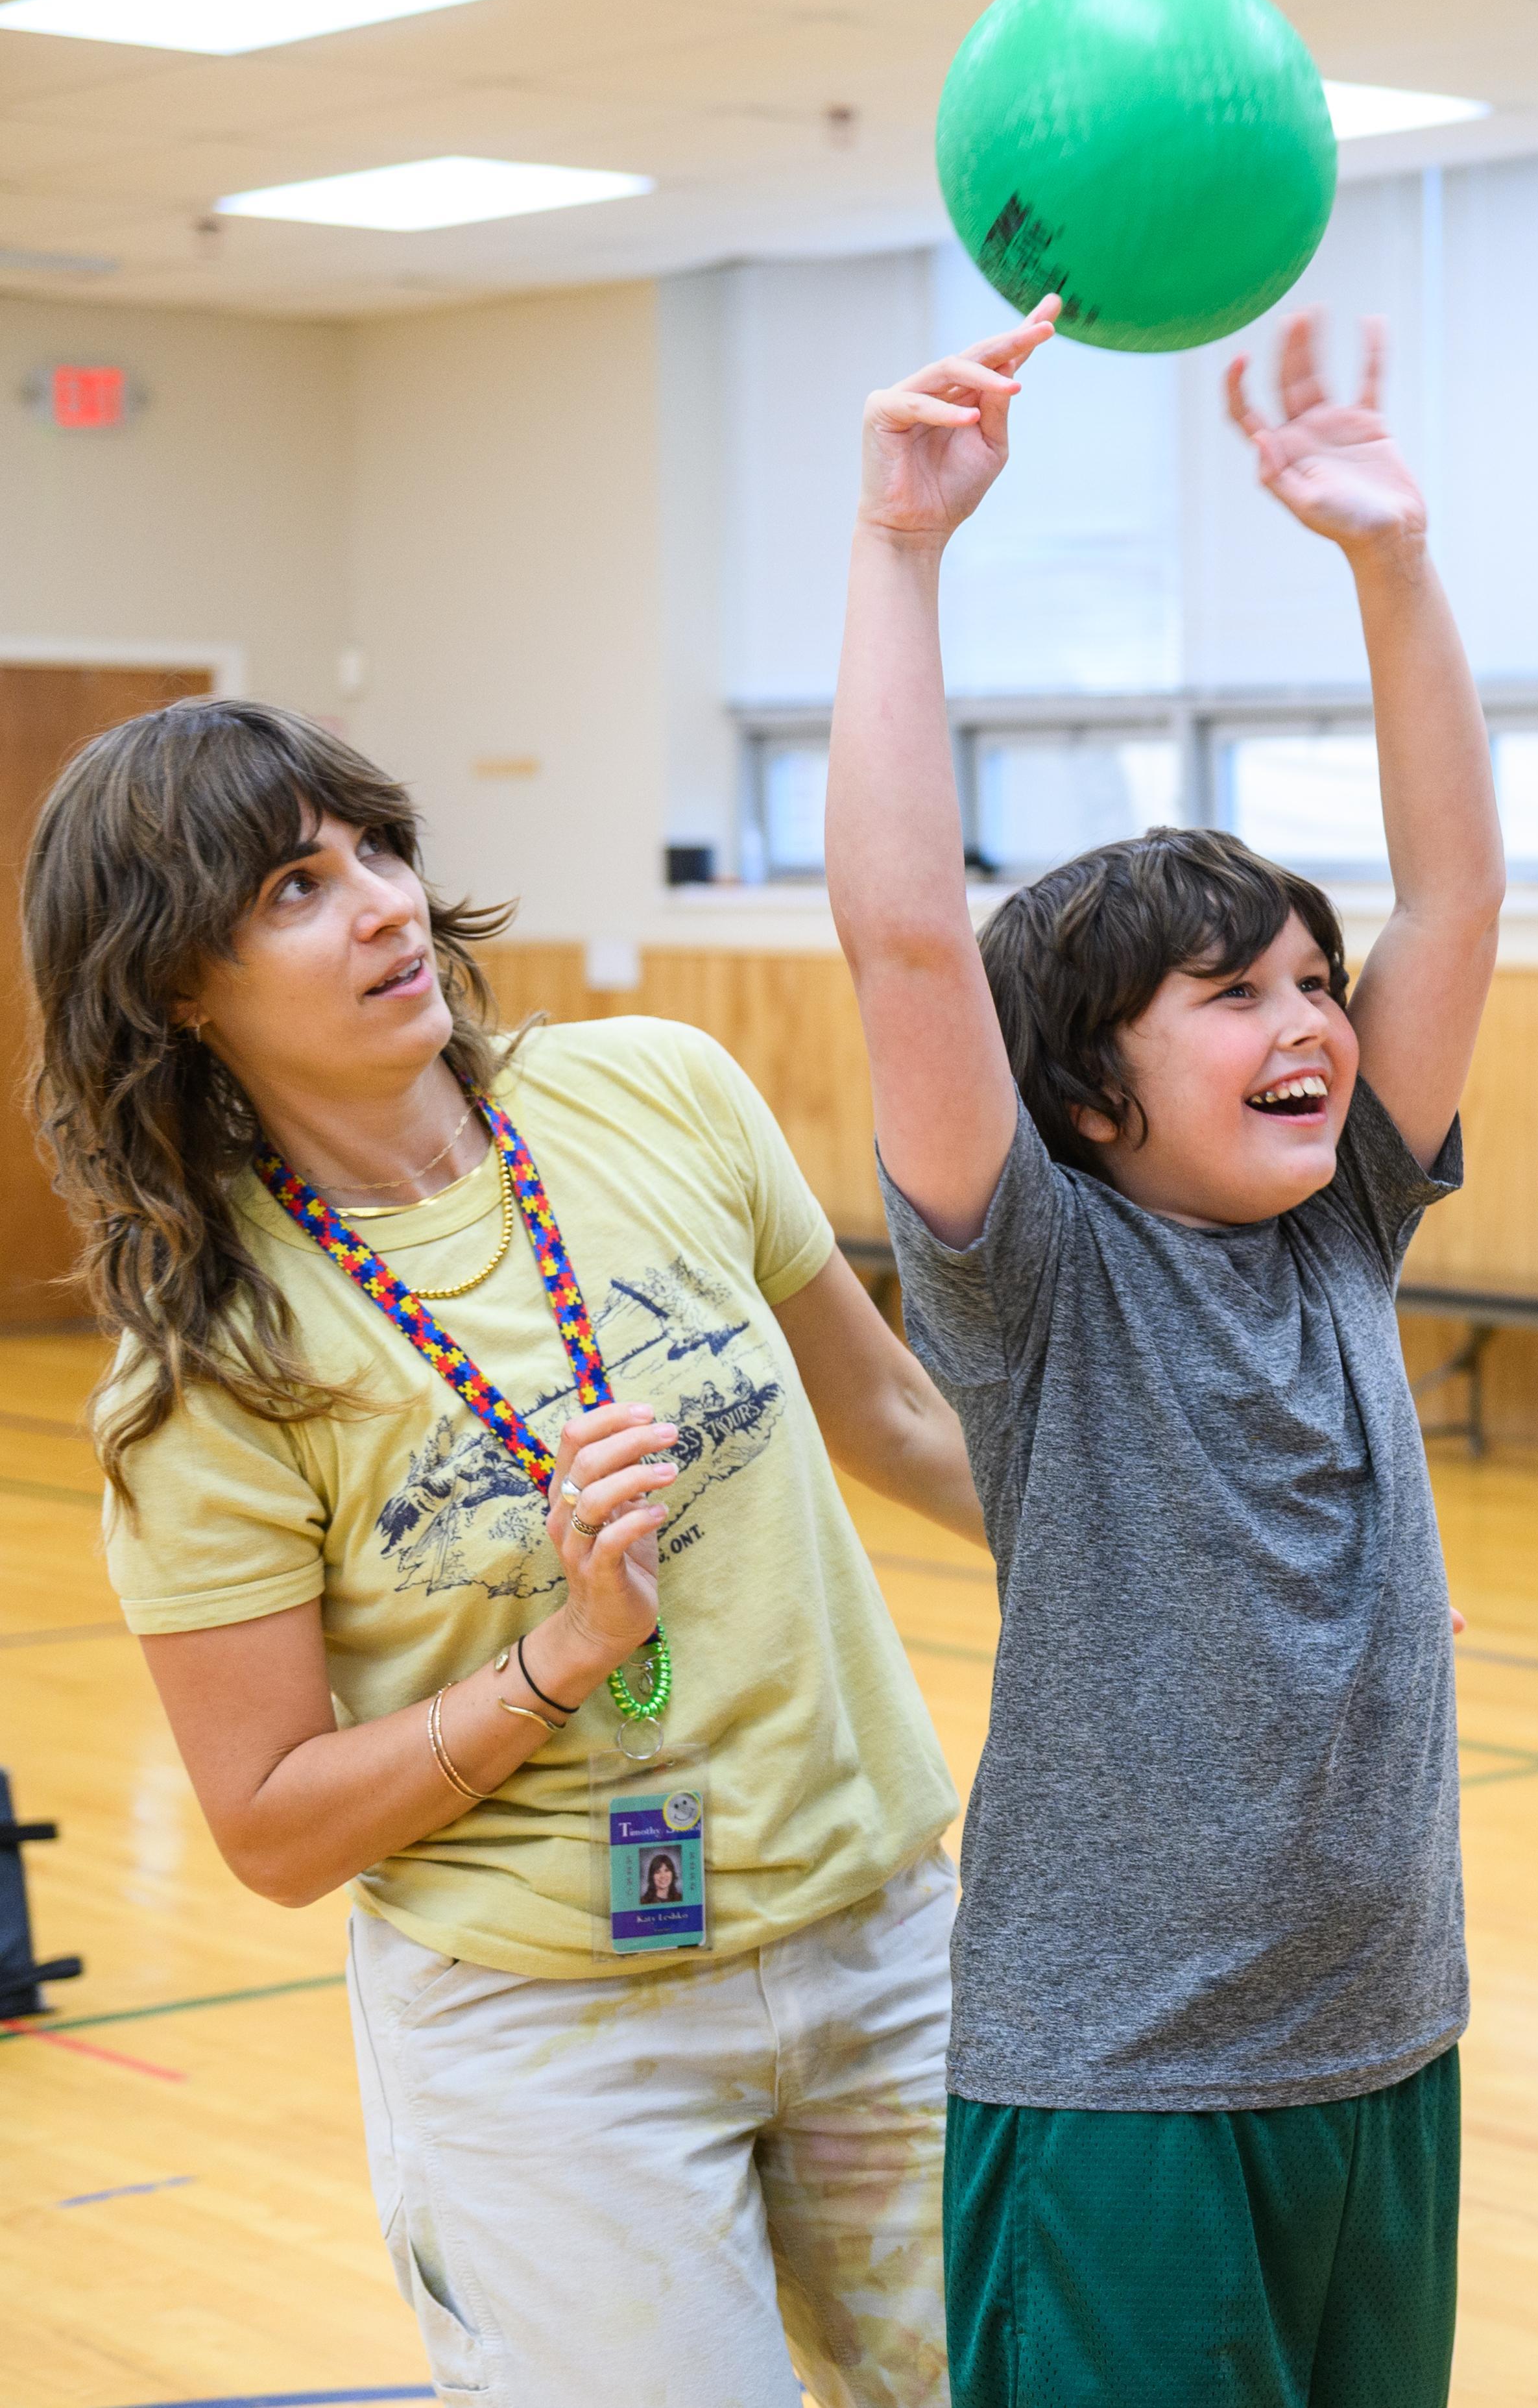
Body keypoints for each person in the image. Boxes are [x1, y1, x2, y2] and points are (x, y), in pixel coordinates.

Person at [28, 699, 986, 2407]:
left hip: (884, 1937)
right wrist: (558, 1659)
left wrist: (1218, 1568)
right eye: (293, 892)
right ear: (178, 986)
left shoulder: (658, 1090)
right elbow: (267, 1821)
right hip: (555, 2040)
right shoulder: (208, 1365)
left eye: (378, 849)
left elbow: (904, 1421)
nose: (386, 904)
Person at [830, 294, 1499, 2408]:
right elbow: (910, 935)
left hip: (1385, 2047)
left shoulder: (1350, 1230)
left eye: (1314, 976)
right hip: (1120, 2089)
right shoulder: (1039, 1282)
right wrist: (903, 551)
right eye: (1235, 995)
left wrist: (1391, 559)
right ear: (1087, 1097)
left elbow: (1460, 894)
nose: (1310, 1018)